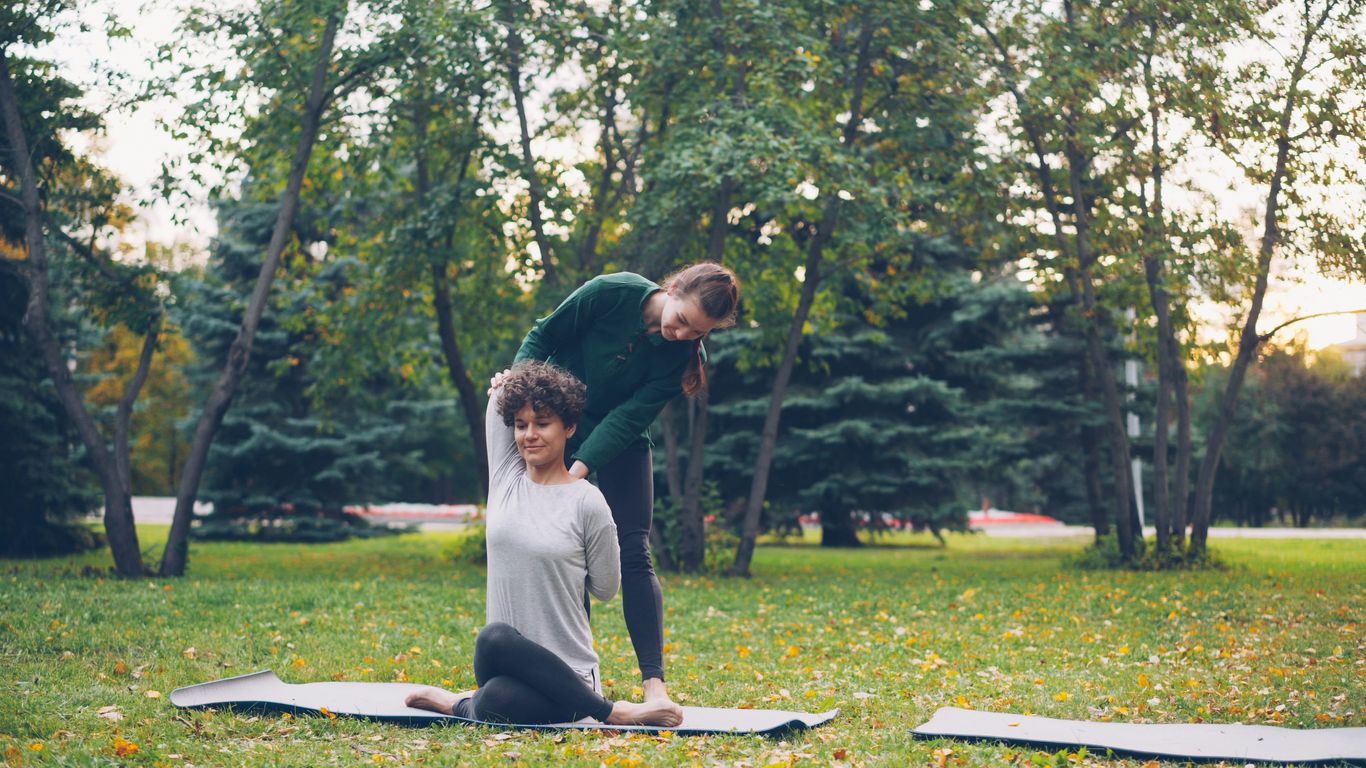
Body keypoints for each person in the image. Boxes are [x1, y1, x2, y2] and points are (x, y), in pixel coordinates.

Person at [488, 263, 740, 709]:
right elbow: (544, 336)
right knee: (568, 548)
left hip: (621, 437)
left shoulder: (683, 356)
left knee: (635, 550)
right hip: (560, 419)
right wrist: (518, 389)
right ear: (673, 288)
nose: (681, 335)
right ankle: (567, 674)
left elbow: (627, 417)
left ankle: (654, 685)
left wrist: (576, 474)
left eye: (697, 333)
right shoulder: (612, 292)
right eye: (682, 321)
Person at [405, 361, 683, 726]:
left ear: (569, 427)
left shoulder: (588, 502)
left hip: (570, 679)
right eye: (521, 425)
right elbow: (499, 400)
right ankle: (613, 712)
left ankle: (462, 705)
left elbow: (605, 589)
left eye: (542, 423)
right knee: (493, 639)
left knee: (494, 698)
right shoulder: (506, 477)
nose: (529, 435)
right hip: (504, 661)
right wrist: (505, 382)